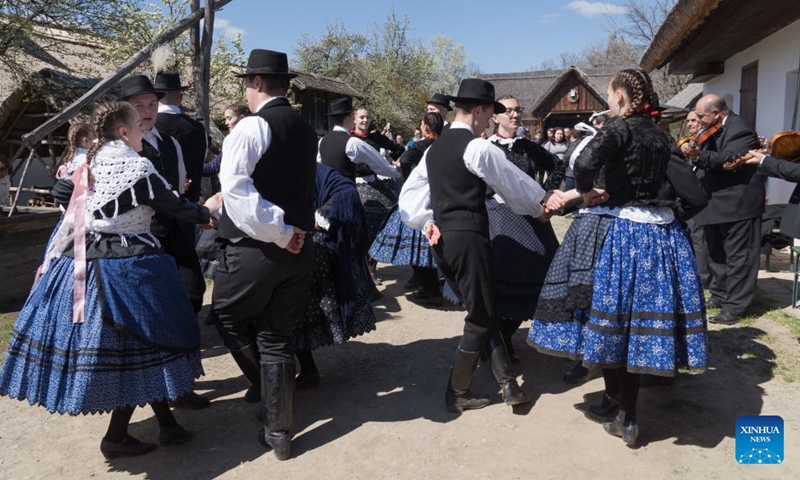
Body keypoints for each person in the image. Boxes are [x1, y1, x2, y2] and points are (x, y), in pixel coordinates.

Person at [0, 101, 222, 458]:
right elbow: (172, 204)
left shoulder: (91, 161)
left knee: (142, 351)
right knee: (147, 345)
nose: (143, 129)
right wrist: (206, 210)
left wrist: (79, 200)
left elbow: (62, 192)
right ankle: (119, 436)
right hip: (126, 269)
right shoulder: (136, 167)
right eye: (138, 125)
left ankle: (165, 425)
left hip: (83, 265)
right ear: (123, 132)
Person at [528, 69, 708, 447]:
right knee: (641, 327)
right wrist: (671, 217)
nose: (609, 102)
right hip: (662, 238)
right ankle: (625, 412)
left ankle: (625, 414)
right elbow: (695, 197)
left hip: (621, 235)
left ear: (622, 97)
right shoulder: (662, 136)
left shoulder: (618, 129)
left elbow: (583, 163)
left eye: (611, 95)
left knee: (613, 324)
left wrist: (588, 191)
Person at [399, 78, 567, 413]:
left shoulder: (435, 148)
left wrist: (427, 221)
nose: (491, 119)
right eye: (491, 112)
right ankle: (457, 392)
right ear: (478, 110)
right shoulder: (476, 147)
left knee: (482, 310)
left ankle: (507, 384)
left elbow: (408, 197)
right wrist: (542, 203)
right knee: (480, 316)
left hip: (443, 241)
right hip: (469, 238)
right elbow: (512, 183)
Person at [211, 49, 317, 461]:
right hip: (298, 250)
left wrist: (281, 231)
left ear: (255, 84)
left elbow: (237, 190)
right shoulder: (306, 129)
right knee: (276, 336)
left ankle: (275, 405)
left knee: (226, 314)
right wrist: (292, 233)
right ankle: (278, 429)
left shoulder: (252, 127)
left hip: (260, 249)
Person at [118, 74, 210, 409]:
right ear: (124, 110)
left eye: (151, 105)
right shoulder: (118, 150)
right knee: (154, 313)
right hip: (140, 242)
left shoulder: (169, 143)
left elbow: (180, 186)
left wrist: (189, 212)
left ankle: (181, 380)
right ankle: (168, 387)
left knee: (191, 295)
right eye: (138, 106)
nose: (146, 112)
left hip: (176, 235)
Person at [485, 95, 563, 360]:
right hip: (498, 218)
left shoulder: (529, 147)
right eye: (509, 111)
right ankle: (497, 340)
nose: (515, 115)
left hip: (530, 218)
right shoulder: (485, 147)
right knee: (501, 282)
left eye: (518, 110)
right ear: (495, 117)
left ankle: (504, 335)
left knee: (538, 276)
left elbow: (557, 164)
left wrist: (548, 189)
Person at [294, 162, 377, 388]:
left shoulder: (308, 166)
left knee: (299, 312)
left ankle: (303, 370)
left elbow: (345, 189)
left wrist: (319, 217)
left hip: (306, 249)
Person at [681, 94, 763, 324]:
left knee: (739, 257)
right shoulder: (712, 128)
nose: (697, 121)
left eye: (701, 116)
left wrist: (699, 154)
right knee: (716, 254)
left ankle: (736, 306)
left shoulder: (741, 129)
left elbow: (729, 159)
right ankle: (719, 294)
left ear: (716, 113)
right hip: (715, 202)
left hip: (739, 204)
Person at [370, 112, 445, 306]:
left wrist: (408, 173)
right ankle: (431, 288)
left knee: (417, 250)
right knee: (429, 250)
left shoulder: (420, 146)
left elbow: (403, 160)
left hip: (418, 201)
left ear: (426, 127)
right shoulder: (443, 144)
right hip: (438, 200)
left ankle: (431, 290)